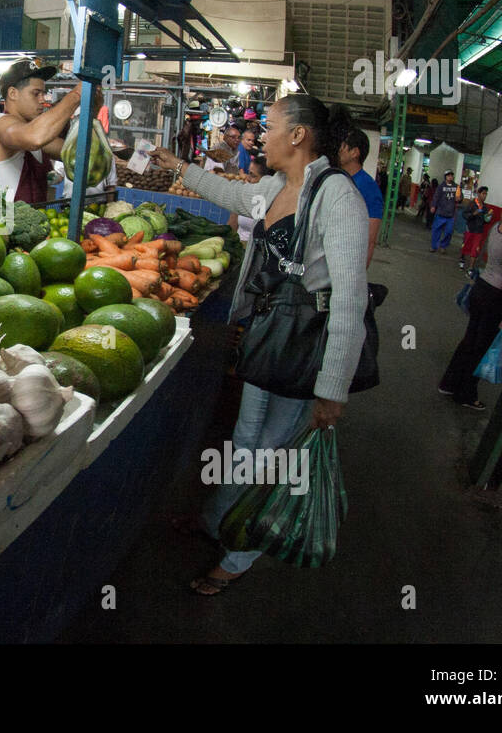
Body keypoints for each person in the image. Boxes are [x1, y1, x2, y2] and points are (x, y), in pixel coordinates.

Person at [153, 94, 368, 595]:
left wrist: (332, 388)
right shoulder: (277, 186)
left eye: (268, 127)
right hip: (269, 340)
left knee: (274, 454)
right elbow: (231, 197)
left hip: (305, 352)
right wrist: (182, 166)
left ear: (298, 135)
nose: (258, 136)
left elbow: (350, 301)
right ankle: (217, 521)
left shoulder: (338, 198)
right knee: (247, 442)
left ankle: (238, 556)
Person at [439, 193, 502, 409]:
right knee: (481, 347)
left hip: (482, 290)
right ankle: (466, 394)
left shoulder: (497, 228)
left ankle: (450, 383)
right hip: (495, 298)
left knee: (470, 341)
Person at [0, 59, 86, 203]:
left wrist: (91, 110)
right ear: (13, 93)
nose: (43, 100)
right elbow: (35, 138)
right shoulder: (0, 125)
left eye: (43, 93)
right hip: (5, 223)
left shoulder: (30, 130)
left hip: (35, 222)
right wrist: (77, 94)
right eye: (36, 94)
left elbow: (73, 153)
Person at [335, 128, 383, 267]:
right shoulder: (337, 178)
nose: (338, 150)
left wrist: (359, 274)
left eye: (343, 146)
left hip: (347, 261)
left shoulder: (369, 188)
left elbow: (370, 239)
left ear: (355, 153)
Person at [459, 186, 491, 270]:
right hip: (470, 229)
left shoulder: (485, 207)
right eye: (483, 193)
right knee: (466, 245)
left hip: (479, 231)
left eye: (486, 194)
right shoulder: (472, 204)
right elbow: (464, 214)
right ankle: (462, 259)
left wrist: (487, 218)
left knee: (475, 249)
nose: (485, 196)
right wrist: (473, 214)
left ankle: (470, 267)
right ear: (478, 194)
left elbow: (485, 221)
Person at [429, 171, 460, 252]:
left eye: (451, 175)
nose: (450, 177)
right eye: (448, 175)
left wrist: (459, 198)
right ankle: (434, 246)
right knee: (436, 230)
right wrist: (433, 206)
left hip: (451, 215)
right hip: (440, 213)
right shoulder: (441, 186)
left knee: (449, 232)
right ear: (445, 177)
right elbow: (436, 197)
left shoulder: (456, 187)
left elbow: (460, 198)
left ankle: (443, 246)